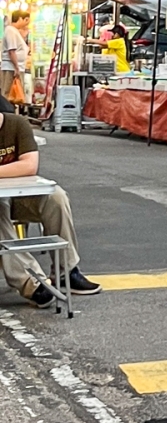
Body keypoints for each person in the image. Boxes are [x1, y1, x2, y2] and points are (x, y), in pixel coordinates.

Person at [0, 112, 102, 307]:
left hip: (19, 194)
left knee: (56, 197)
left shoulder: (17, 124)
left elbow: (29, 165)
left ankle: (66, 271)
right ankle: (31, 283)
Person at [1, 10, 29, 104]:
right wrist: (16, 67)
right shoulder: (10, 30)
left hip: (15, 67)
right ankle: (6, 115)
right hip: (11, 67)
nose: (26, 24)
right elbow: (11, 51)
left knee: (14, 95)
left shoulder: (14, 31)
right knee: (8, 93)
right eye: (26, 20)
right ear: (20, 19)